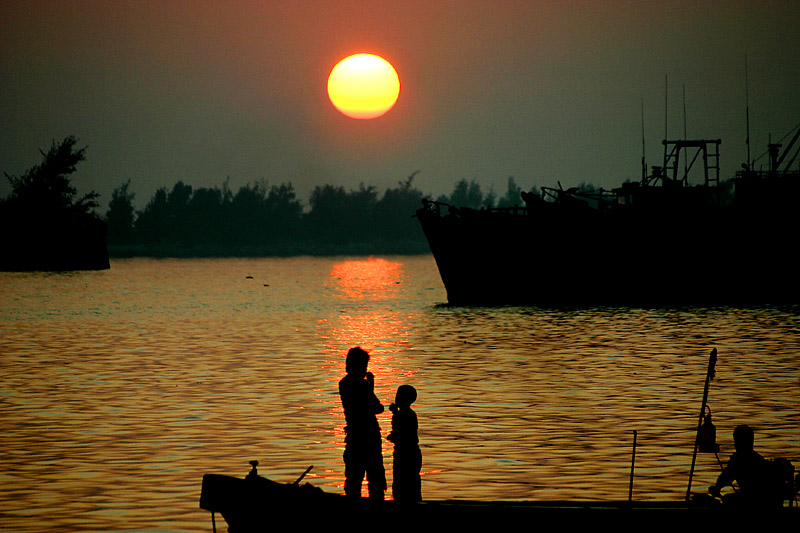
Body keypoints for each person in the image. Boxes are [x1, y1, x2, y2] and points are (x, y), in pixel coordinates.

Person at [338, 346, 386, 499]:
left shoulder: (343, 383)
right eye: (364, 365)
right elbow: (377, 408)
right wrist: (371, 385)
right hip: (368, 435)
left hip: (354, 434)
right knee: (375, 475)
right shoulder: (363, 385)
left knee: (354, 477)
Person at [709, 424, 779, 507]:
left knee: (728, 499)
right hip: (762, 501)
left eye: (736, 441)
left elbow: (727, 476)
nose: (735, 444)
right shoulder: (759, 459)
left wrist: (717, 487)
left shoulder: (738, 460)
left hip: (752, 501)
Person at [387, 384, 422, 502]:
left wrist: (393, 435)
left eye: (399, 396)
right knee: (406, 482)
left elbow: (403, 432)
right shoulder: (406, 413)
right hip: (408, 452)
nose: (396, 398)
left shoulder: (406, 414)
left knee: (404, 482)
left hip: (407, 454)